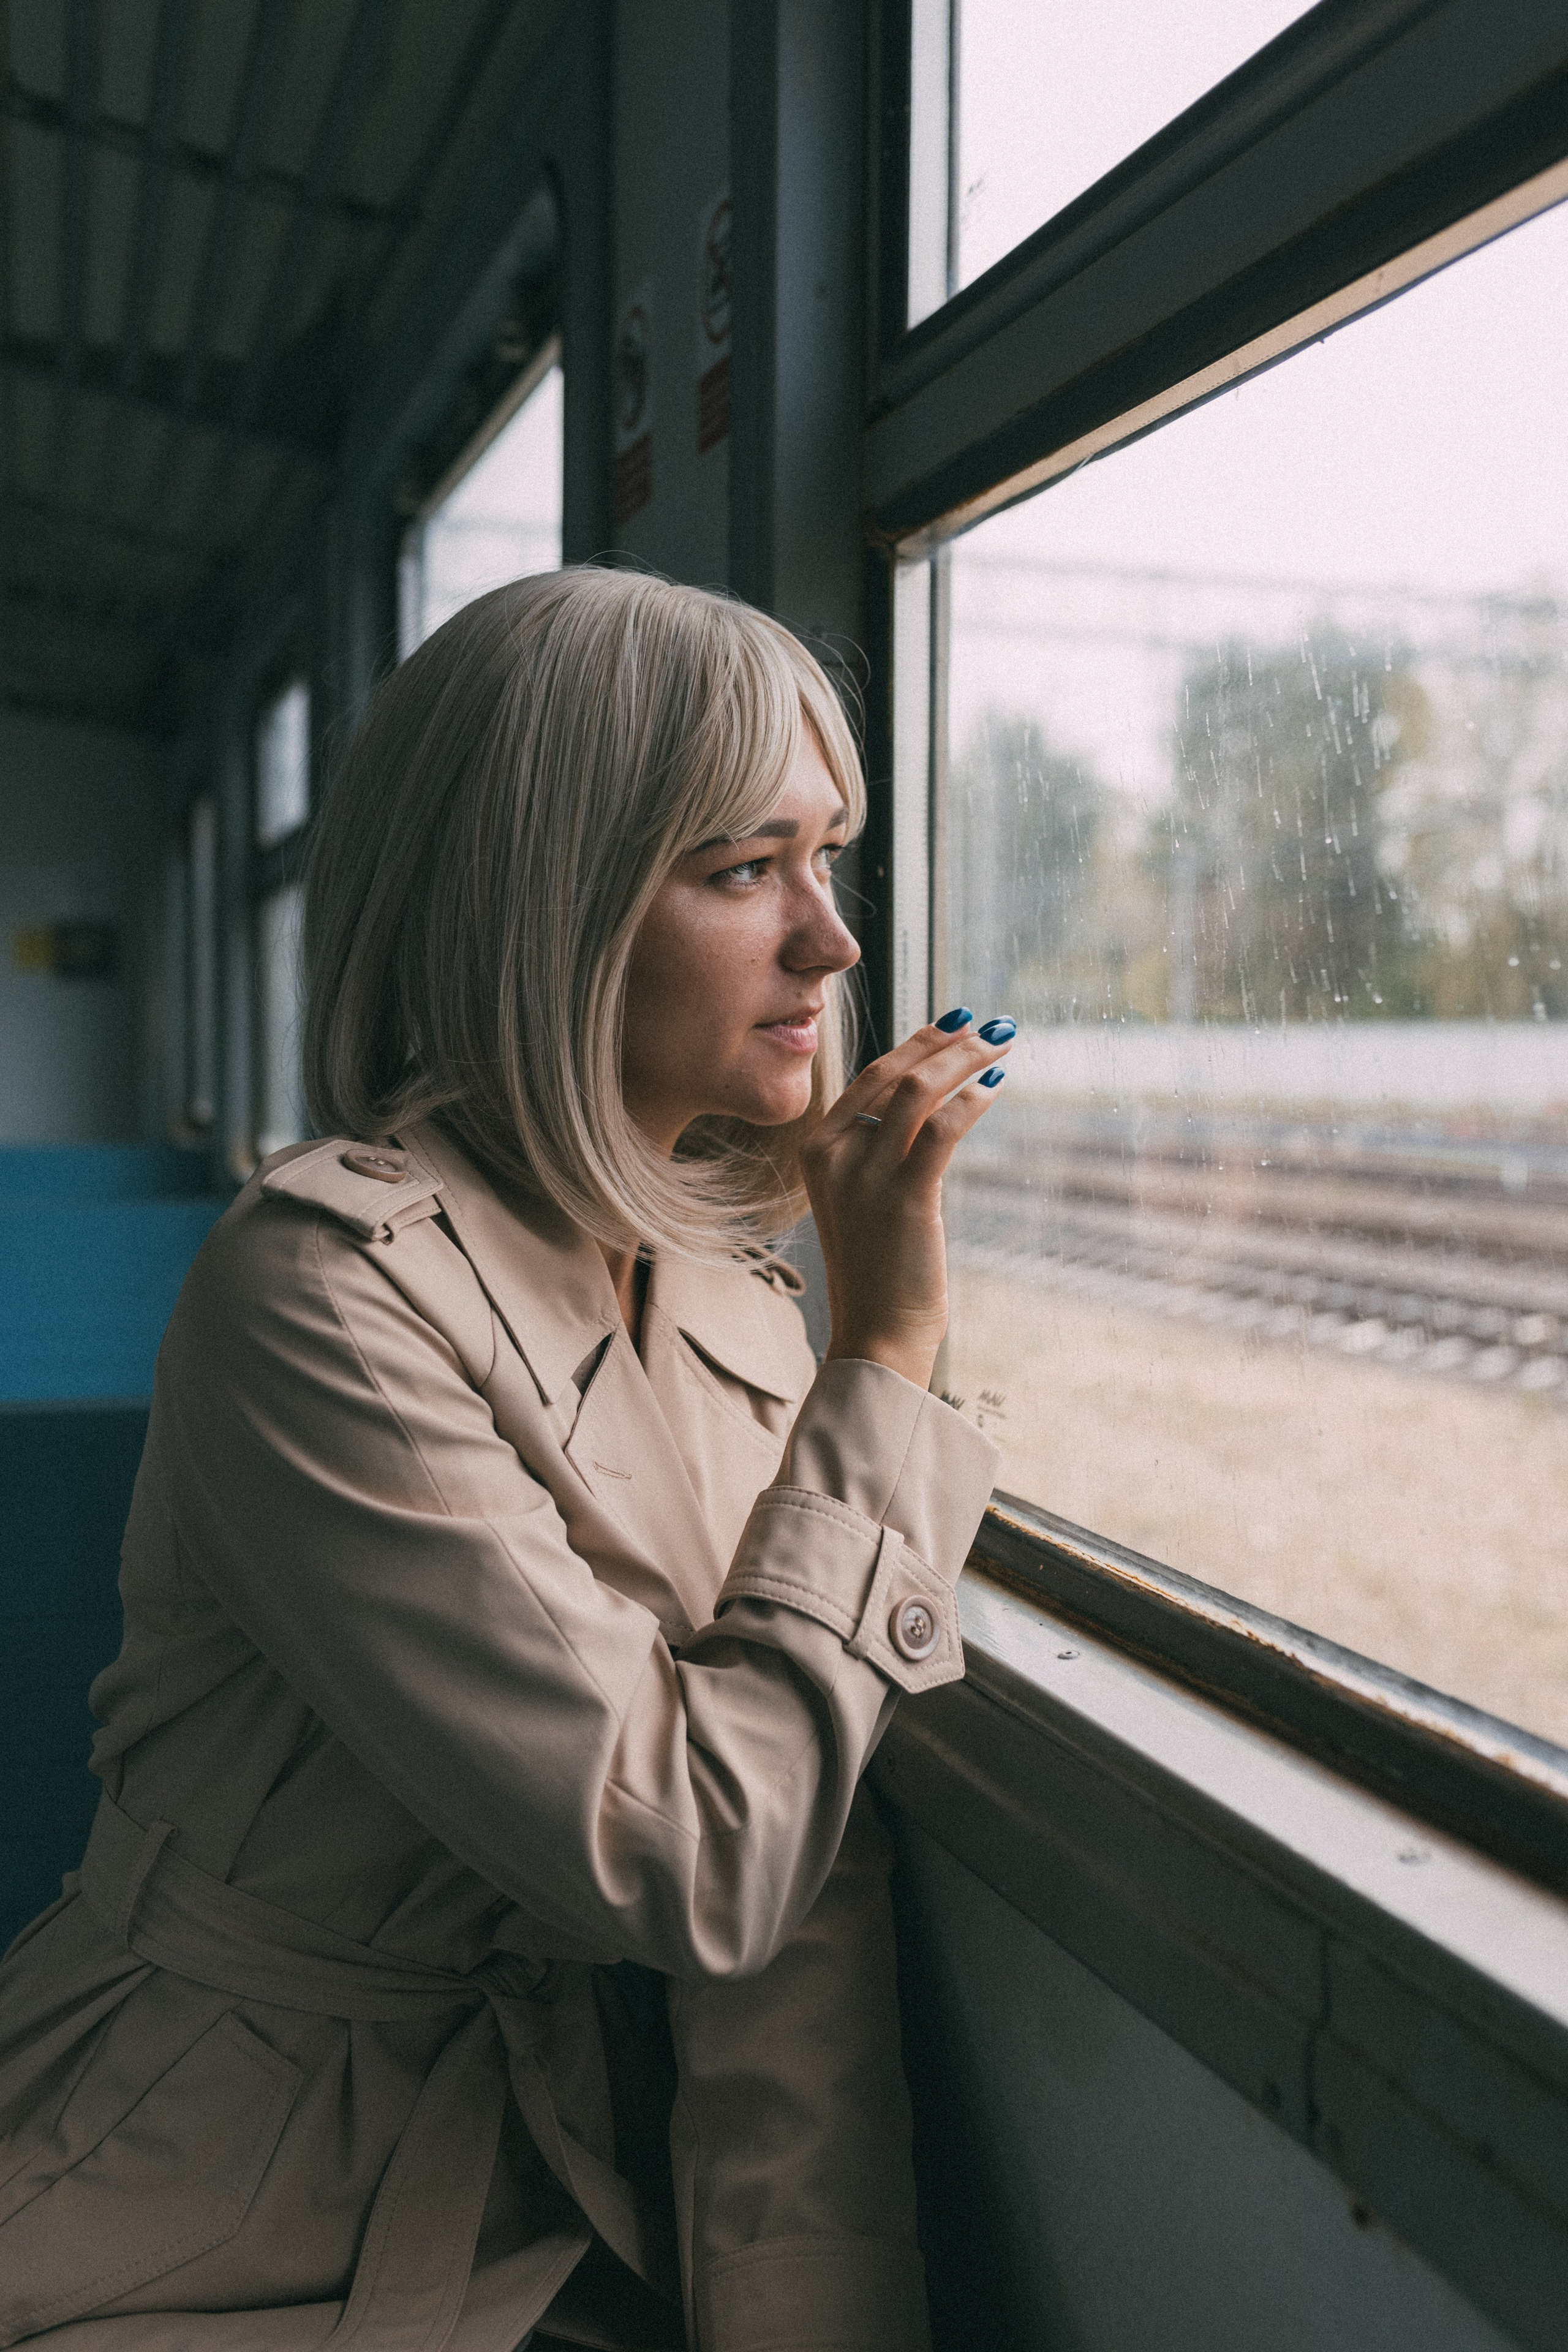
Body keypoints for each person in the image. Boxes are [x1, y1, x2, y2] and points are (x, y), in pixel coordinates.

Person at [0, 569, 1011, 2352]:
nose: (832, 943)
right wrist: (892, 1356)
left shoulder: (740, 1304)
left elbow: (799, 1911)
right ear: (545, 913)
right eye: (740, 868)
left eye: (829, 858)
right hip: (184, 2199)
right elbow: (696, 1869)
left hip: (563, 2203)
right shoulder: (317, 1290)